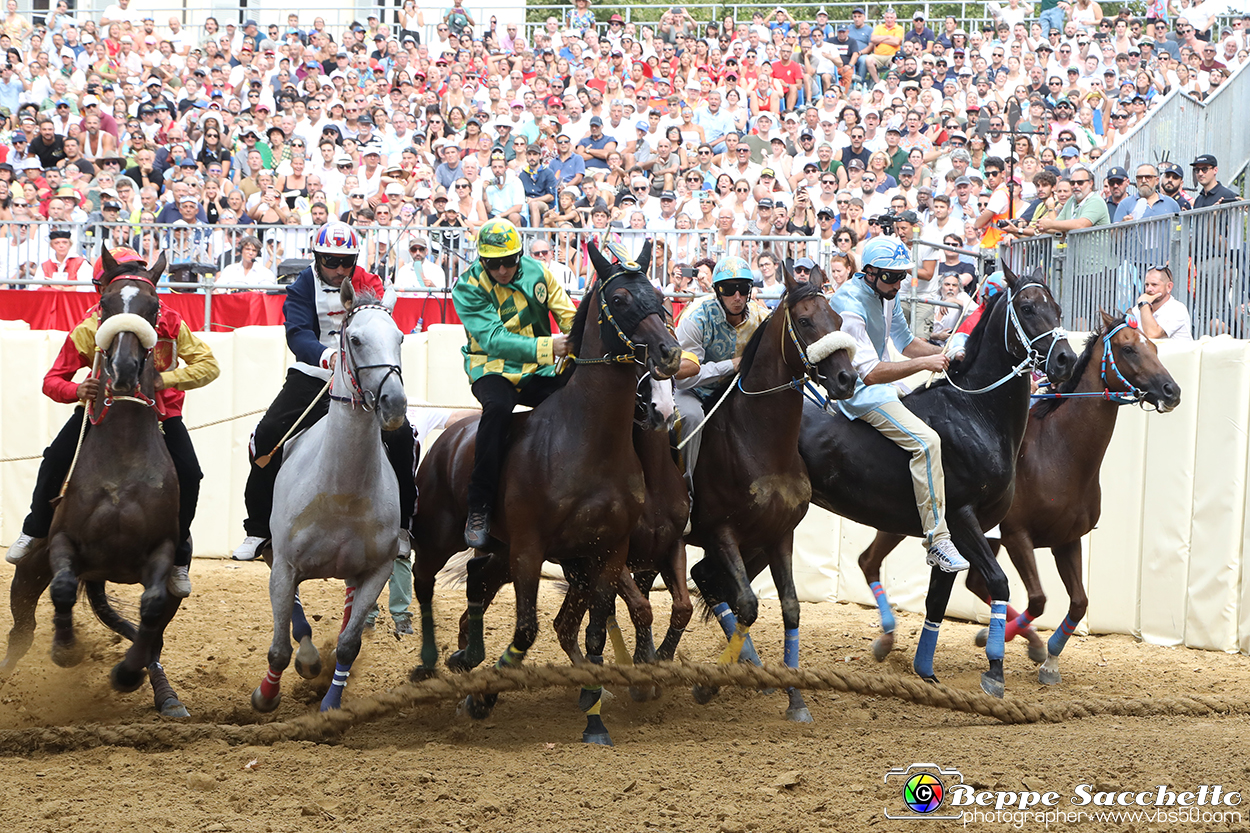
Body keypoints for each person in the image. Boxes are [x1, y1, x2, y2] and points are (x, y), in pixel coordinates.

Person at [6, 248, 220, 598]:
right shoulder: (90, 326)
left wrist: (166, 380)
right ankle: (35, 529)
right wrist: (78, 389)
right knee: (54, 458)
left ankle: (179, 554)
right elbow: (52, 381)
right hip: (98, 411)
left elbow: (209, 366)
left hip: (161, 414)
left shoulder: (171, 322)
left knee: (191, 474)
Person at [232, 222, 416, 561]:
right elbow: (297, 332)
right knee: (267, 436)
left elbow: (381, 328)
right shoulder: (303, 284)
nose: (340, 269)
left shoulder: (369, 281)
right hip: (315, 375)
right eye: (331, 260)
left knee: (404, 437)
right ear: (317, 258)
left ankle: (403, 527)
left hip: (362, 380)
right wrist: (327, 355)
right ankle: (257, 529)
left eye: (347, 261)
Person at [829, 236, 970, 573]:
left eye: (903, 276)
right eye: (892, 276)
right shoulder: (848, 303)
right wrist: (927, 363)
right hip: (858, 390)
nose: (899, 283)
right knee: (927, 442)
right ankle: (937, 540)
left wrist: (944, 352)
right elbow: (870, 372)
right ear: (870, 272)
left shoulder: (887, 294)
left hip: (882, 382)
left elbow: (905, 343)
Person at [454, 218, 577, 548]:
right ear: (482, 261)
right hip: (492, 368)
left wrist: (580, 336)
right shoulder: (466, 287)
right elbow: (494, 340)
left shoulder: (539, 272)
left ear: (520, 255)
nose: (504, 270)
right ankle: (479, 506)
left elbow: (568, 314)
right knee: (496, 410)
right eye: (495, 264)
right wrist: (550, 346)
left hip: (540, 370)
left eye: (510, 261)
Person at [673, 255, 769, 489]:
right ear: (717, 290)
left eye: (743, 288)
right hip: (695, 392)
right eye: (728, 289)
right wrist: (732, 364)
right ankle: (683, 489)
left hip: (738, 393)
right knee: (691, 418)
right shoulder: (695, 318)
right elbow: (684, 380)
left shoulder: (762, 318)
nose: (737, 297)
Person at [1136, 266, 1193, 341]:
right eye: (1147, 285)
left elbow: (1152, 334)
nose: (1149, 289)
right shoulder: (1139, 308)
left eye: (1154, 285)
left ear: (1169, 287)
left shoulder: (1177, 309)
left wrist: (1143, 304)